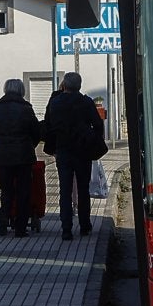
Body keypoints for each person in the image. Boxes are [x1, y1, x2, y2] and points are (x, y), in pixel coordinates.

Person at [42, 71, 104, 237]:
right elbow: (98, 124)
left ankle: (66, 228)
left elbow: (48, 125)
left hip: (63, 150)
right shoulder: (86, 102)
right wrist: (95, 141)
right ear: (79, 85)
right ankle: (85, 225)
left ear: (64, 85)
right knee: (83, 189)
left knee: (65, 189)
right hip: (83, 151)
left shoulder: (55, 102)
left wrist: (52, 146)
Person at [0, 77, 42, 237]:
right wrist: (29, 144)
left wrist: (2, 143)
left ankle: (3, 222)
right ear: (21, 91)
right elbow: (36, 132)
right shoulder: (26, 109)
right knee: (23, 191)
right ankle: (20, 227)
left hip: (3, 156)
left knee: (6, 190)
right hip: (23, 156)